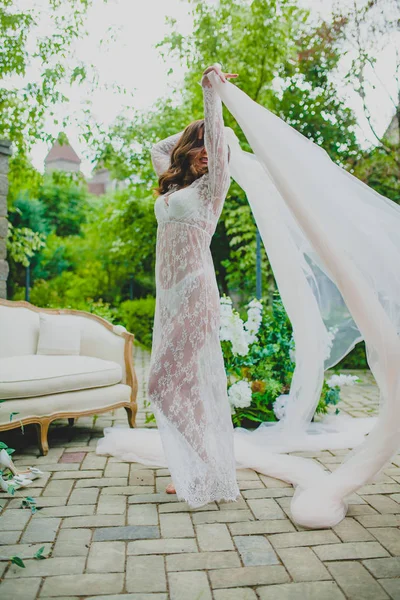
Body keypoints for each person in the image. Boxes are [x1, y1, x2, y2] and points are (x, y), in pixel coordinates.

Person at [146, 63, 241, 506]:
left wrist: (213, 96)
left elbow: (217, 142)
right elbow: (158, 145)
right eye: (197, 145)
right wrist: (191, 137)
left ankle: (207, 465)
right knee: (183, 387)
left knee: (161, 383)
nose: (206, 151)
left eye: (211, 146)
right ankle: (194, 467)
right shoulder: (174, 183)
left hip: (196, 293)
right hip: (169, 298)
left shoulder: (211, 190)